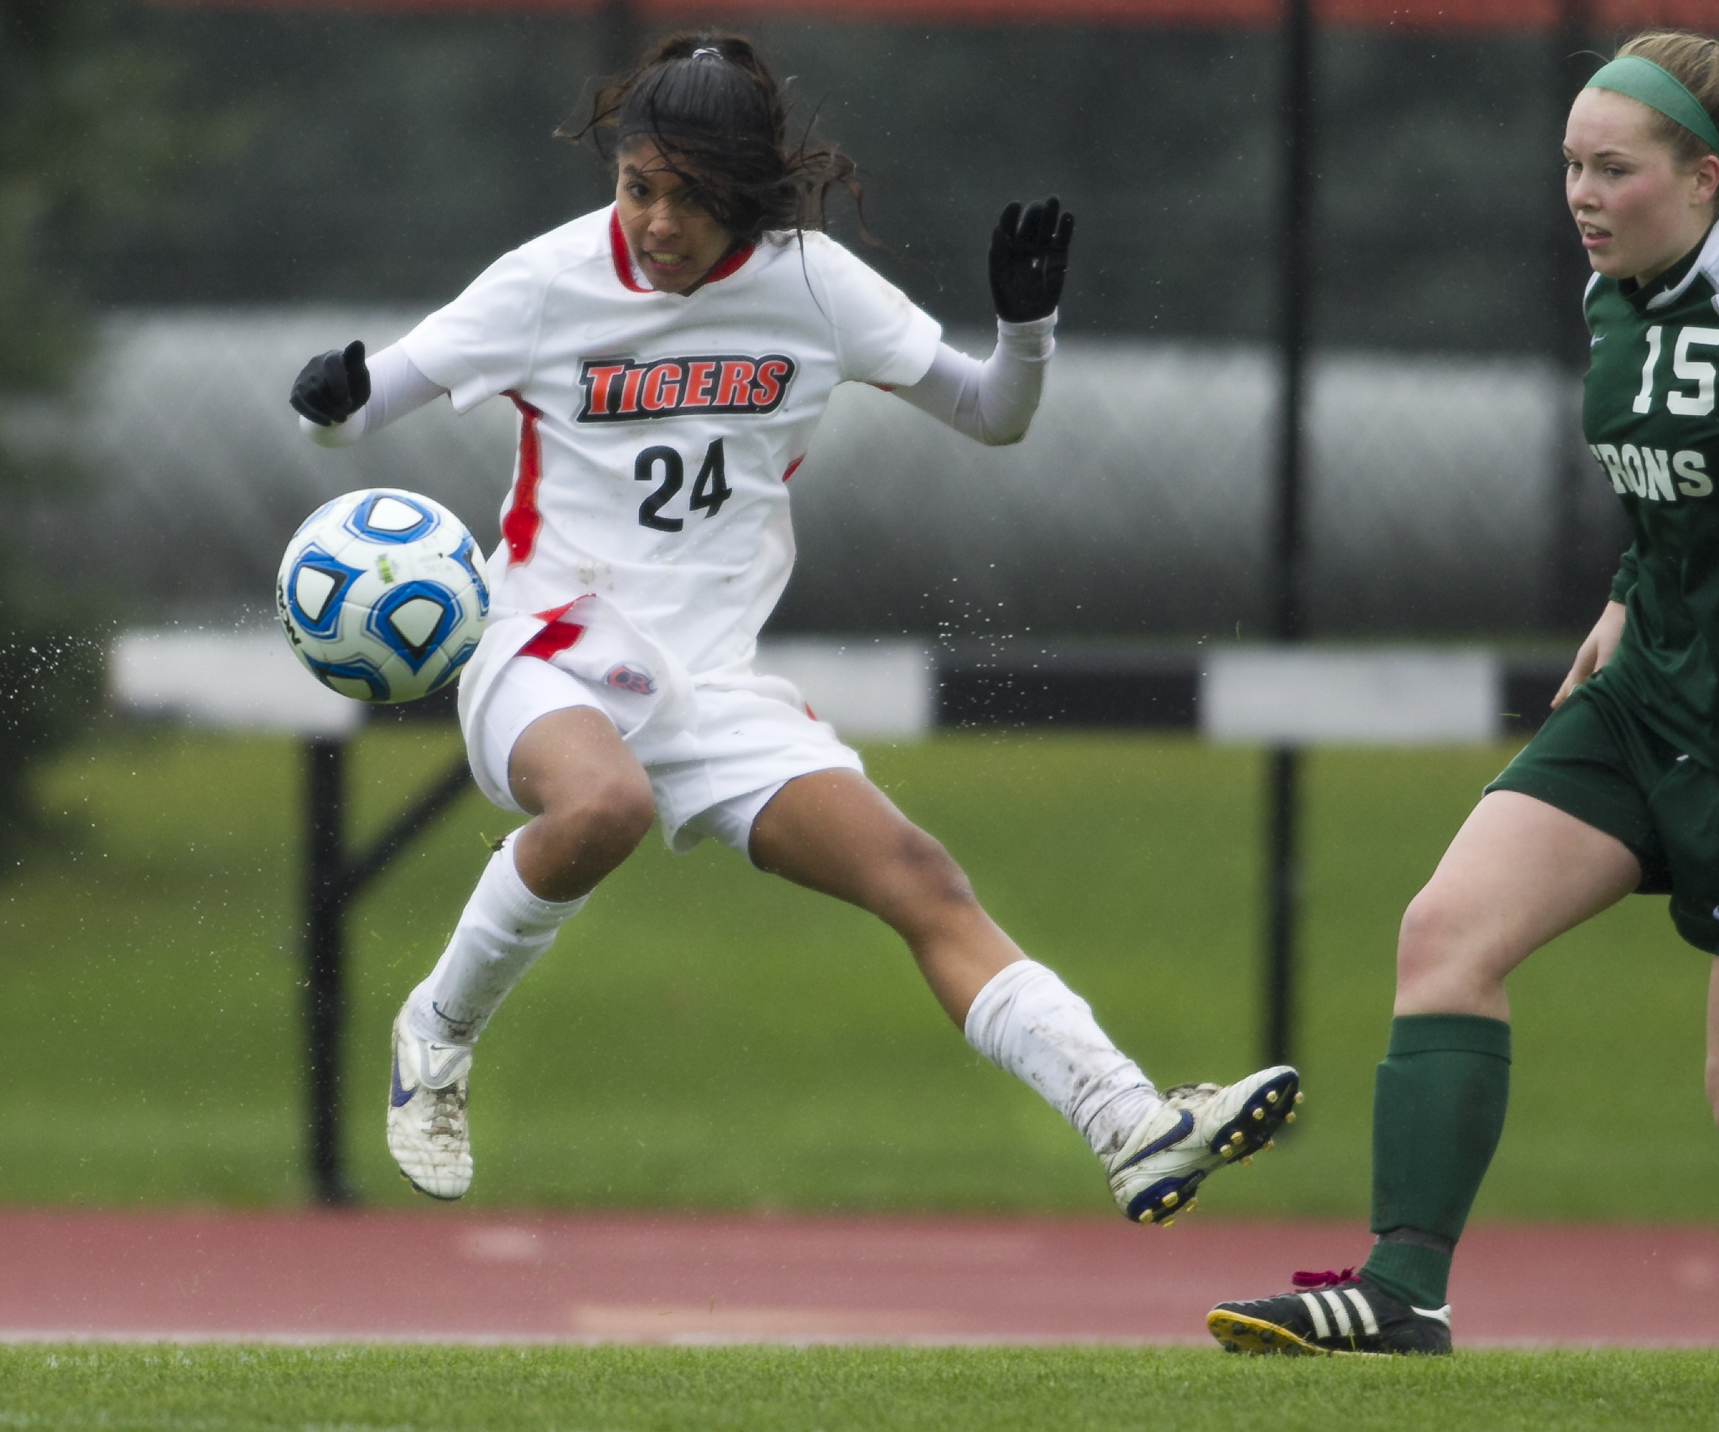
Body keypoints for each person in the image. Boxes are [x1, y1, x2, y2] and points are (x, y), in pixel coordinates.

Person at [288, 33, 1298, 1224]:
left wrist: (1026, 329)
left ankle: (1129, 1122)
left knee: (919, 877)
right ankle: (439, 1028)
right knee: (600, 807)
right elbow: (356, 415)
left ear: (751, 199)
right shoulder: (548, 280)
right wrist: (331, 401)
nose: (657, 221)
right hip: (544, 638)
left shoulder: (813, 285)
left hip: (708, 682)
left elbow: (990, 416)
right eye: (636, 186)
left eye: (691, 197)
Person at [1209, 30, 1719, 1356]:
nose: (1579, 193)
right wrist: (1627, 599)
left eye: (1611, 168)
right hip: (1645, 707)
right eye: (1568, 164)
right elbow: (1682, 499)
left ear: (1703, 177)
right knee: (1445, 935)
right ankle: (1403, 1297)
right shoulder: (1611, 297)